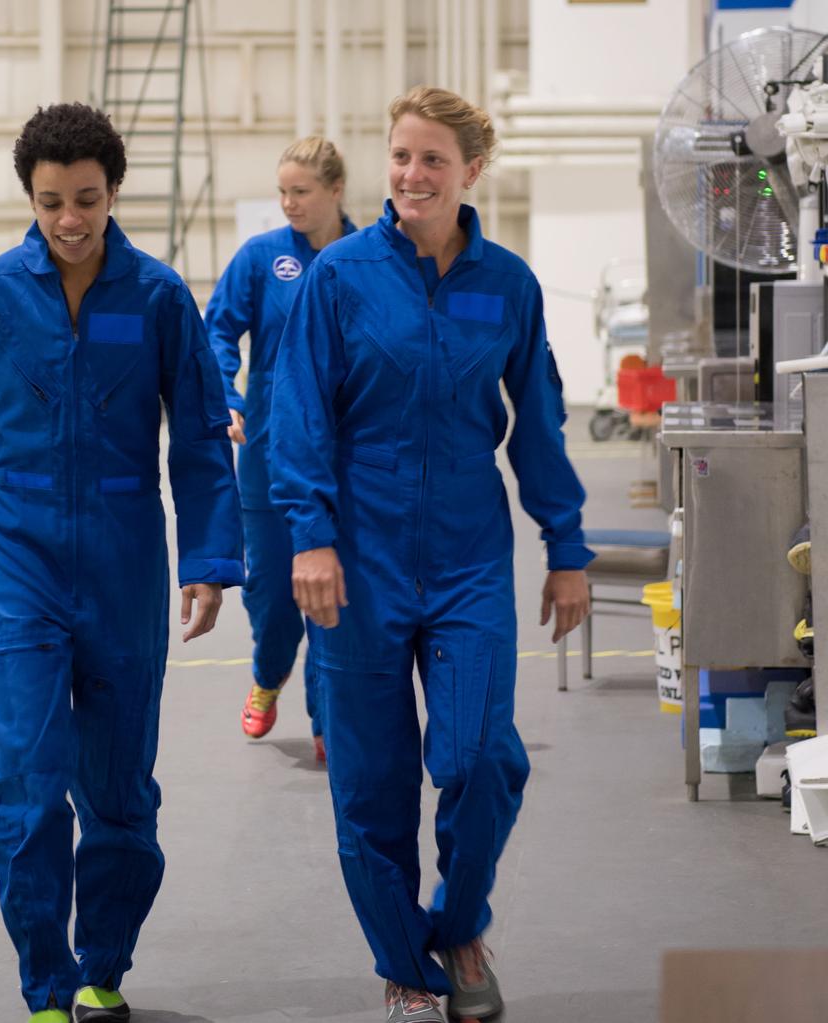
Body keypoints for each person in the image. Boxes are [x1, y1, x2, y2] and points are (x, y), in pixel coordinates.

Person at [0, 103, 244, 1023]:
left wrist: (207, 558)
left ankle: (104, 965)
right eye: (51, 202)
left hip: (126, 564)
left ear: (113, 190)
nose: (70, 219)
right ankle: (46, 980)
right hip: (18, 560)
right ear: (30, 199)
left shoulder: (160, 296)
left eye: (86, 198)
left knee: (122, 789)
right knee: (25, 777)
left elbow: (203, 441)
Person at [268, 86, 592, 1023]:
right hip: (356, 561)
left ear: (471, 172)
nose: (412, 175)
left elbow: (537, 424)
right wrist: (311, 535)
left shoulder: (508, 285)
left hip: (466, 556)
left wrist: (565, 548)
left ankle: (457, 930)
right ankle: (407, 963)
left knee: (483, 758)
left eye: (434, 161)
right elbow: (299, 414)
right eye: (402, 157)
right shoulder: (340, 278)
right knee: (371, 785)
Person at [205, 136, 355, 759]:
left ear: (335, 191)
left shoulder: (368, 256)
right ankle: (269, 675)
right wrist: (228, 396)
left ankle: (328, 726)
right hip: (268, 457)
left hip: (345, 462)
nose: (289, 204)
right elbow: (217, 328)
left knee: (331, 598)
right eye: (283, 193)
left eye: (301, 192)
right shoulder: (261, 258)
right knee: (272, 601)